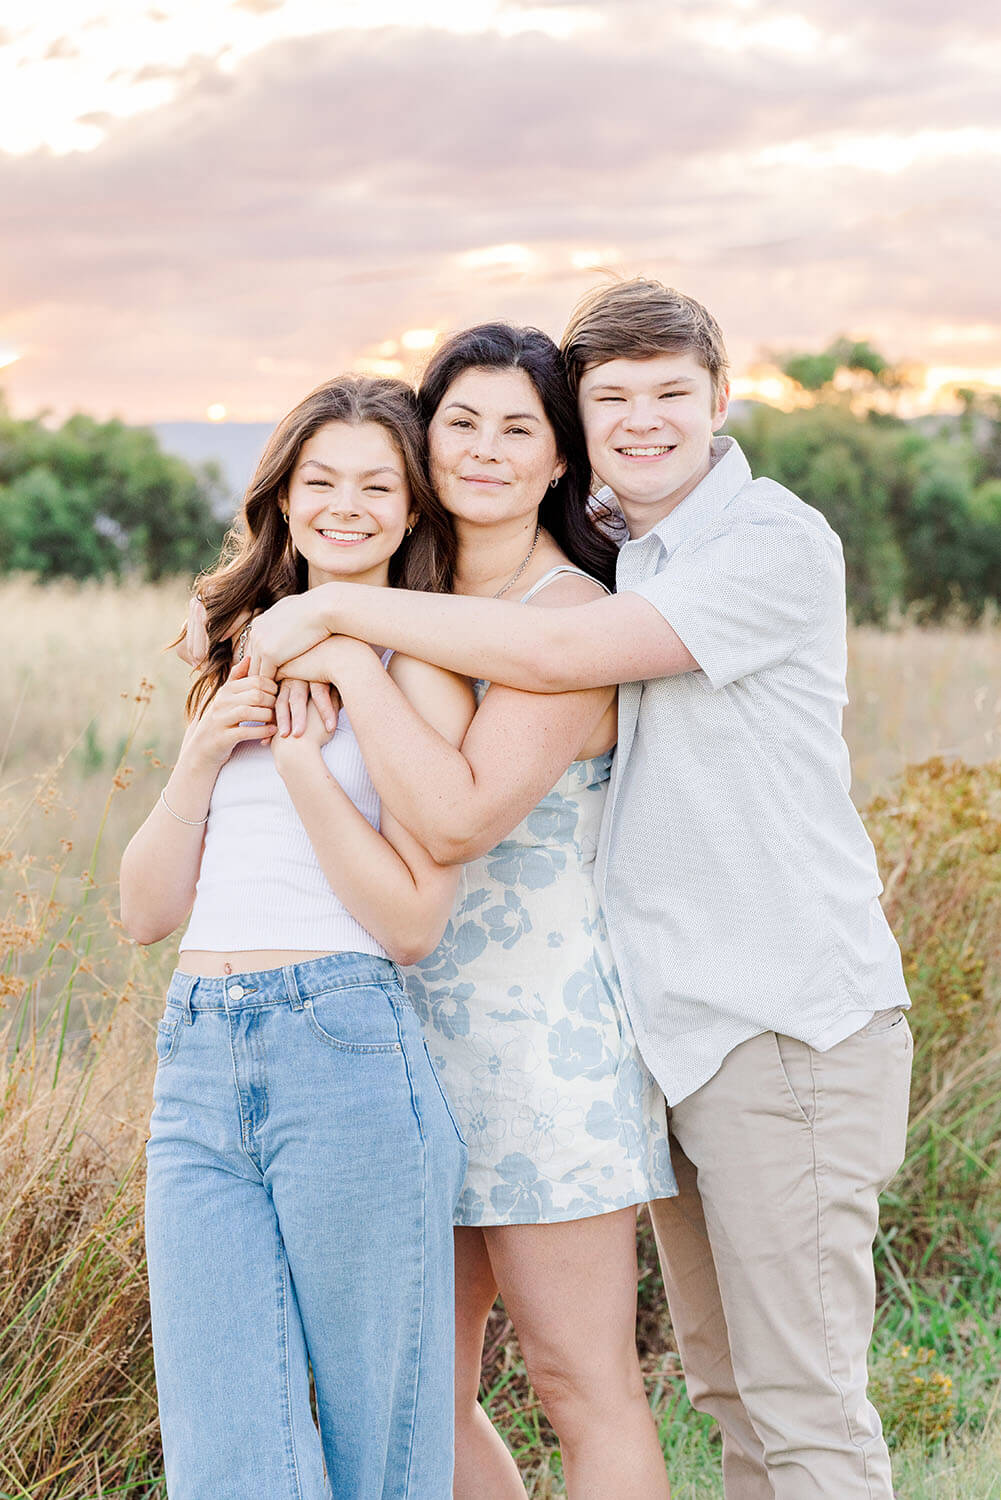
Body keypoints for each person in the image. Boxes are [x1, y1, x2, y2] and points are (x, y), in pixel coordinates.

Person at [245, 282, 914, 1500]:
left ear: (720, 398)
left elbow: (543, 675)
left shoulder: (756, 545)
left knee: (792, 1406)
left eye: (669, 393)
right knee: (726, 1388)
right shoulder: (633, 546)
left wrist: (332, 614)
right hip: (664, 1032)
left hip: (782, 1022)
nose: (640, 420)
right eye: (611, 397)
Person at [271, 325, 676, 1500]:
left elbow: (452, 822)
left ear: (560, 460)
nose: (485, 450)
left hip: (542, 1051)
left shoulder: (570, 620)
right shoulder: (408, 601)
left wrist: (343, 647)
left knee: (574, 1381)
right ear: (424, 436)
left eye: (519, 428)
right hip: (395, 1040)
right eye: (461, 421)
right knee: (412, 1394)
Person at [120, 376, 473, 1500]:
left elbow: (413, 922)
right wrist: (201, 754)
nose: (346, 505)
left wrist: (306, 767)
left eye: (378, 484)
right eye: (320, 480)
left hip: (347, 1047)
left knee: (385, 1454)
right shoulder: (233, 648)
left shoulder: (417, 666)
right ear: (282, 496)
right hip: (197, 1060)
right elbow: (141, 913)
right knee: (228, 1461)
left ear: (414, 510)